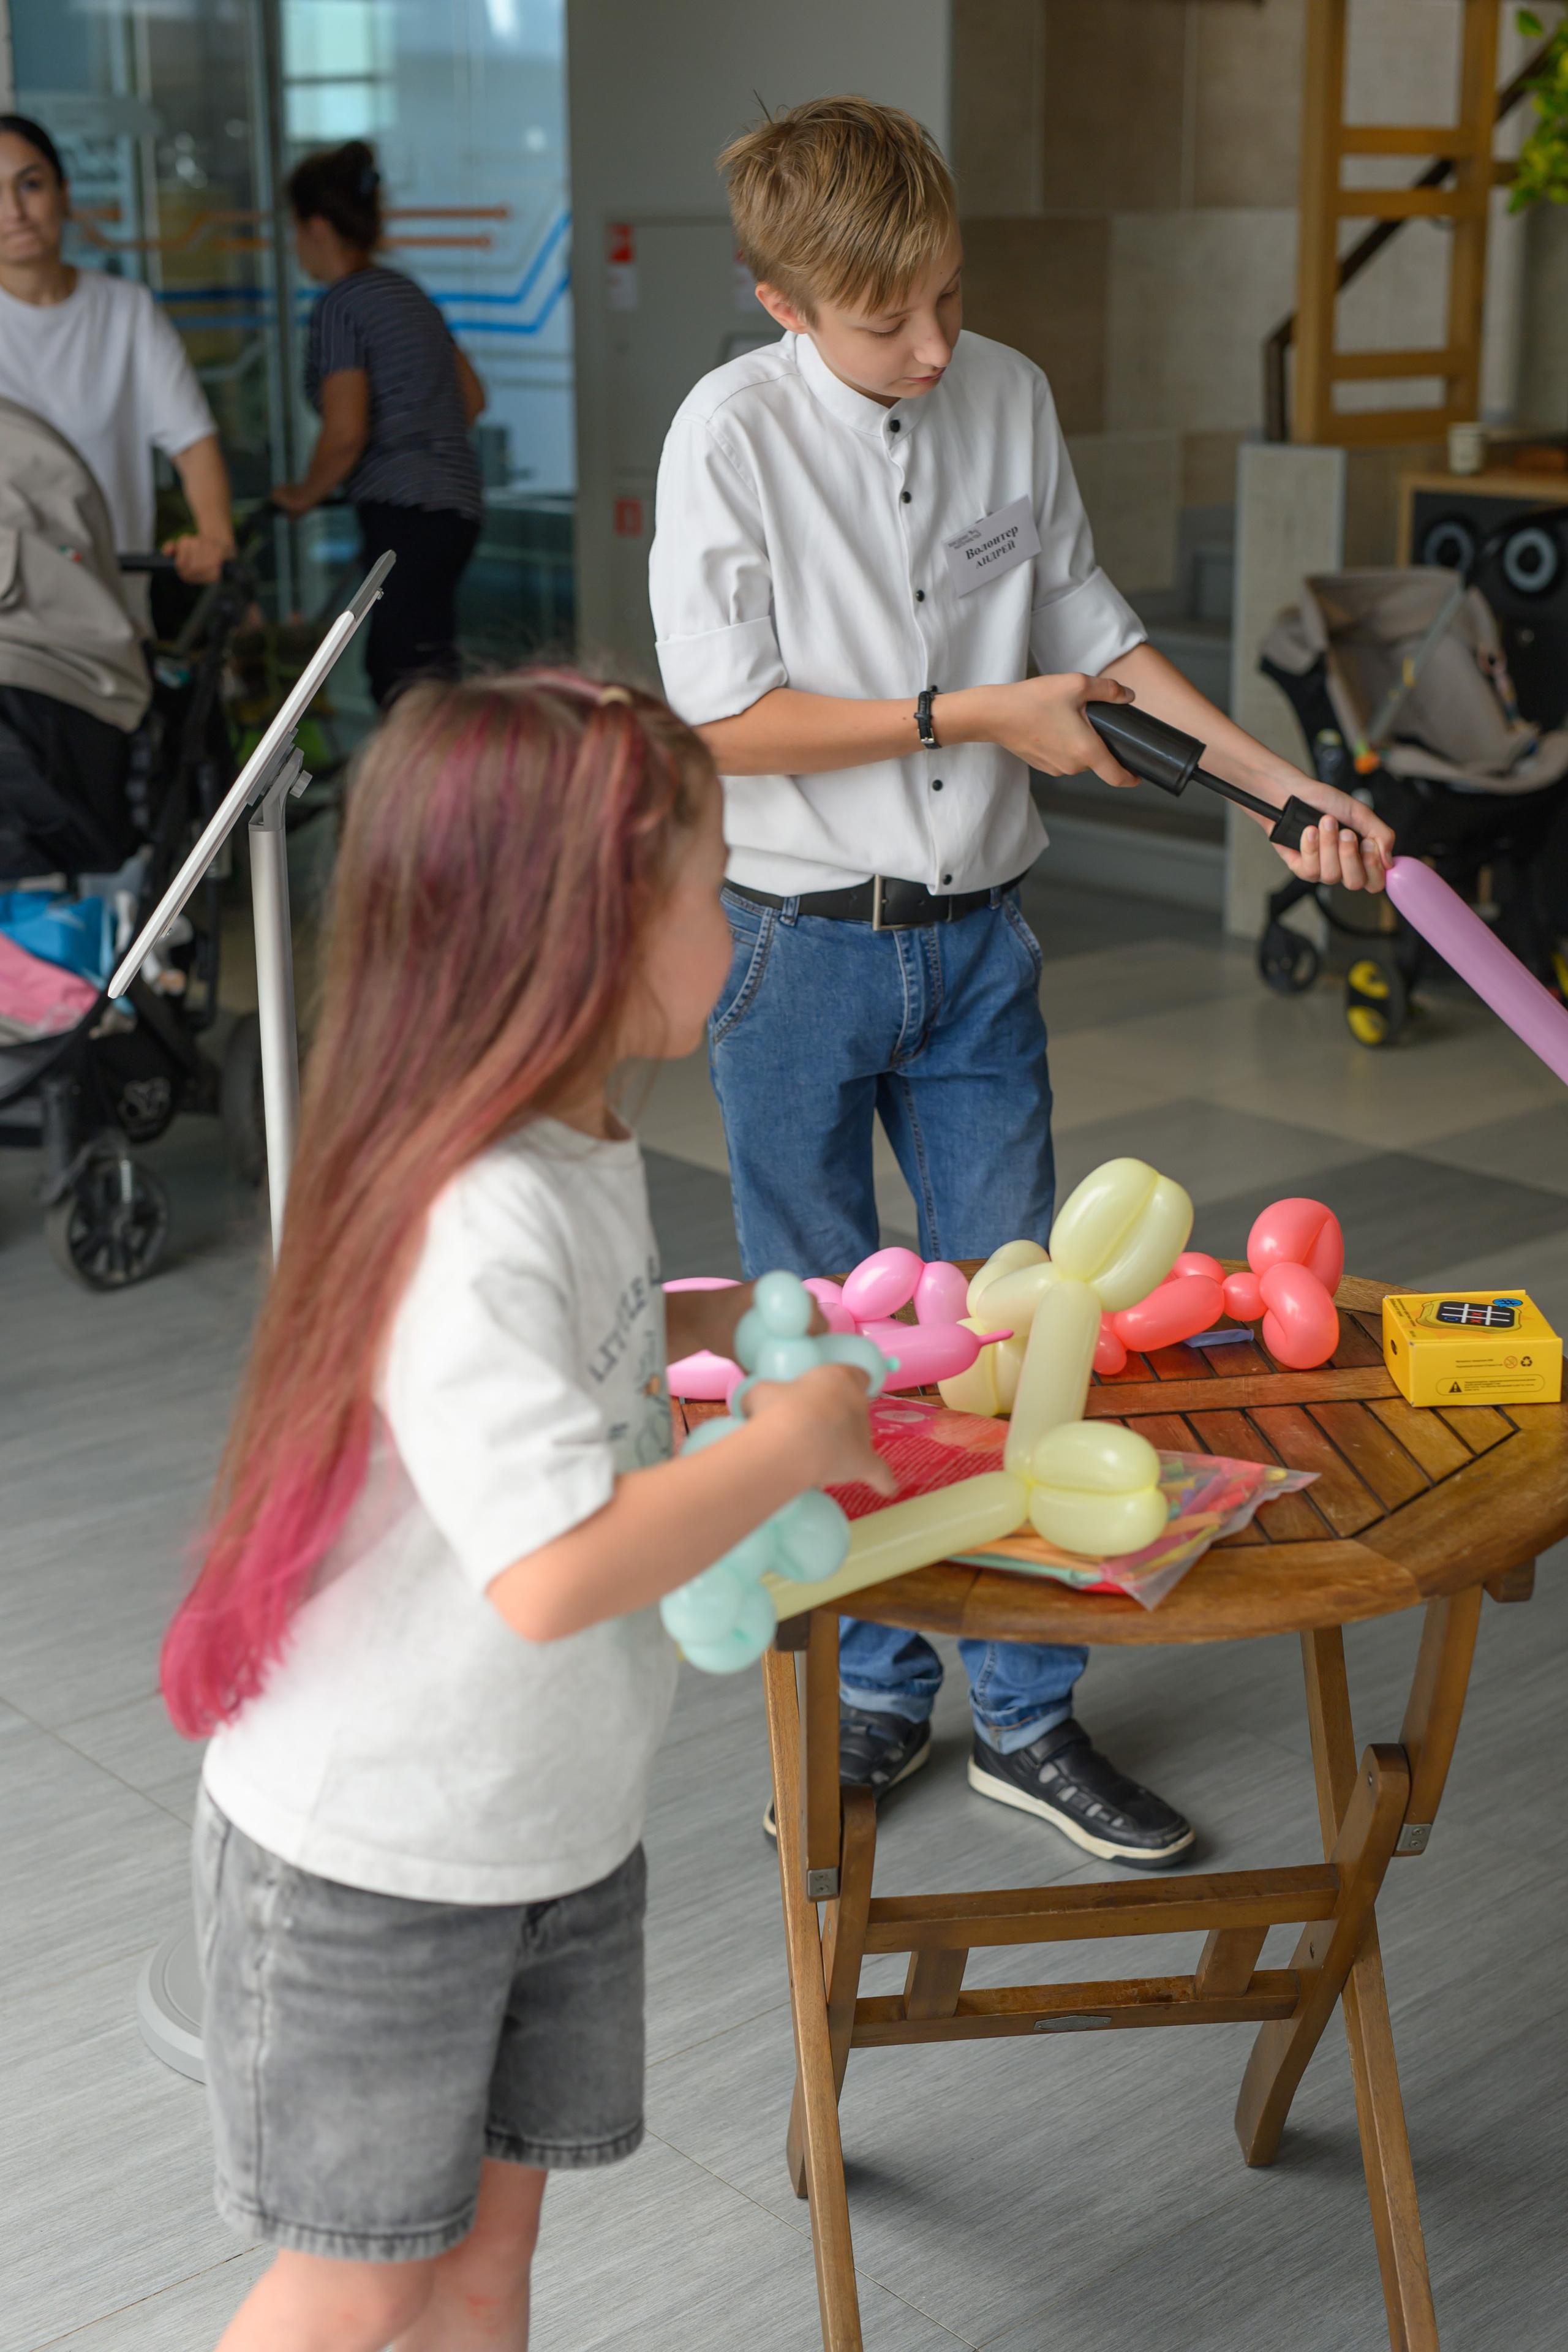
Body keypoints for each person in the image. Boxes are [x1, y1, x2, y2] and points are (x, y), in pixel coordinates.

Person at [649, 98, 1396, 1869]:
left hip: (976, 948)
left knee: (1034, 1337)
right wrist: (981, 714)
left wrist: (1278, 783)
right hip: (793, 954)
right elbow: (727, 727)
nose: (933, 342)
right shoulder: (727, 441)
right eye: (885, 319)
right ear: (781, 302)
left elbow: (1091, 625)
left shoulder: (1005, 394)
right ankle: (885, 1695)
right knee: (831, 1356)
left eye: (947, 299)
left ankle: (1030, 1716)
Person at [163, 668, 892, 2351]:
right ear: (587, 932)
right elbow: (555, 1573)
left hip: (542, 1827)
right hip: (379, 1863)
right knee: (359, 2287)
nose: (739, 917)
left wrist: (700, 1331)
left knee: (488, 2270)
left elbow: (581, 1378)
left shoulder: (569, 1144)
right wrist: (782, 1449)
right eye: (713, 890)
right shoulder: (478, 1208)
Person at [274, 140, 486, 707]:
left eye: (296, 232)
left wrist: (301, 495)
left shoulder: (341, 304)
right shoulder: (407, 293)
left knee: (402, 677)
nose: (297, 249)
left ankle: (427, 795)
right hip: (458, 507)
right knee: (426, 660)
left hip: (405, 513)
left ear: (318, 227)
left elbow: (346, 432)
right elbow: (472, 399)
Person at [0, 115, 236, 596]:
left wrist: (215, 537)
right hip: (13, 622)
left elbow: (192, 443)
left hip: (114, 611)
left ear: (64, 193)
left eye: (31, 185)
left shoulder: (126, 310)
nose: (14, 210)